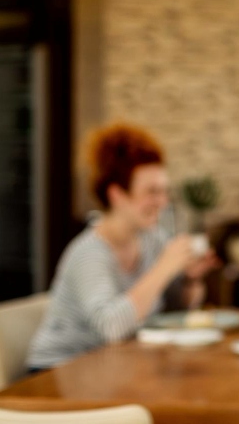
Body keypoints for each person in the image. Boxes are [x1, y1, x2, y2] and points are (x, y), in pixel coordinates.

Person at [27, 122, 219, 370]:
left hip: (113, 368)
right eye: (152, 192)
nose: (162, 202)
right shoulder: (88, 253)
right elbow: (112, 328)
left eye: (164, 191)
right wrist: (164, 268)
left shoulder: (153, 240)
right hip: (58, 372)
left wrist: (190, 279)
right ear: (117, 194)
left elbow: (174, 309)